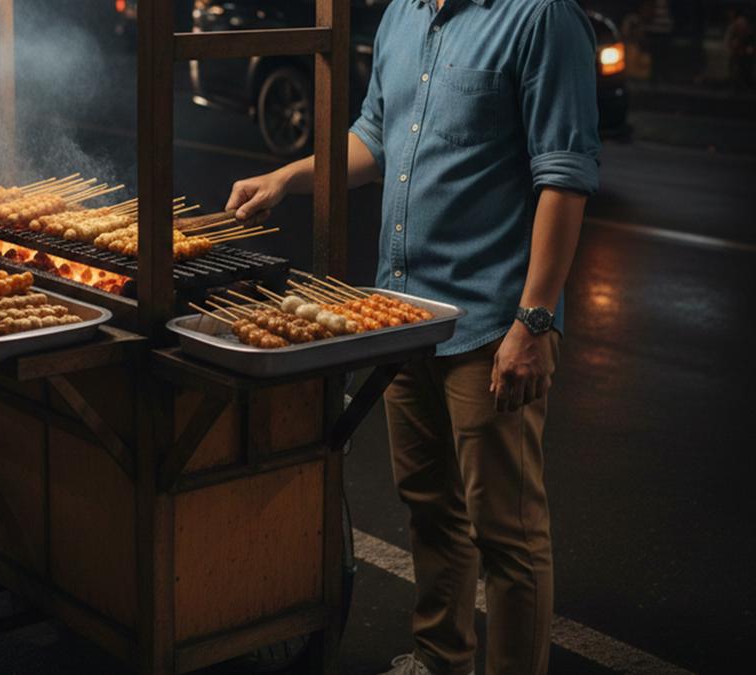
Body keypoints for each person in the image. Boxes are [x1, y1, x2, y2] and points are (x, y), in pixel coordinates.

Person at [226, 0, 600, 673]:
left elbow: (563, 179)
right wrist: (288, 177)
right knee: (431, 512)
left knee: (508, 537)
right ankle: (440, 660)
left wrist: (534, 320)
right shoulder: (402, 14)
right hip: (402, 317)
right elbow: (375, 136)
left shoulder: (541, 17)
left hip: (490, 325)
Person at [723, 10, 754, 92]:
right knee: (738, 67)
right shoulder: (734, 25)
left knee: (741, 67)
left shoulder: (739, 24)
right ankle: (739, 85)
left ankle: (741, 85)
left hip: (741, 50)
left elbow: (747, 37)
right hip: (738, 50)